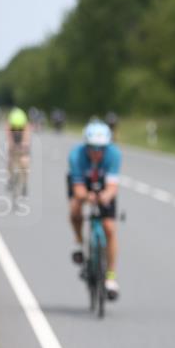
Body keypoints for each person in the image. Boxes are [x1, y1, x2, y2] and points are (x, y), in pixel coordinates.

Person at [67, 121, 122, 299]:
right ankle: (79, 242)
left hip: (104, 185)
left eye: (101, 148)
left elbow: (113, 186)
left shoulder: (114, 154)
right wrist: (86, 197)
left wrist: (105, 196)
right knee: (75, 209)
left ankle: (111, 277)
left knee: (109, 228)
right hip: (84, 183)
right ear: (86, 145)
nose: (97, 152)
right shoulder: (76, 156)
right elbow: (78, 189)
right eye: (93, 148)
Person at [6, 107, 32, 193]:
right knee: (10, 159)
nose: (17, 129)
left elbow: (26, 139)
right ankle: (10, 177)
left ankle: (25, 183)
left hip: (22, 142)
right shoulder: (9, 125)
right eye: (14, 128)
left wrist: (24, 146)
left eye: (19, 128)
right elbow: (9, 138)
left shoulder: (26, 126)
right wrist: (12, 146)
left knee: (24, 162)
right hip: (14, 142)